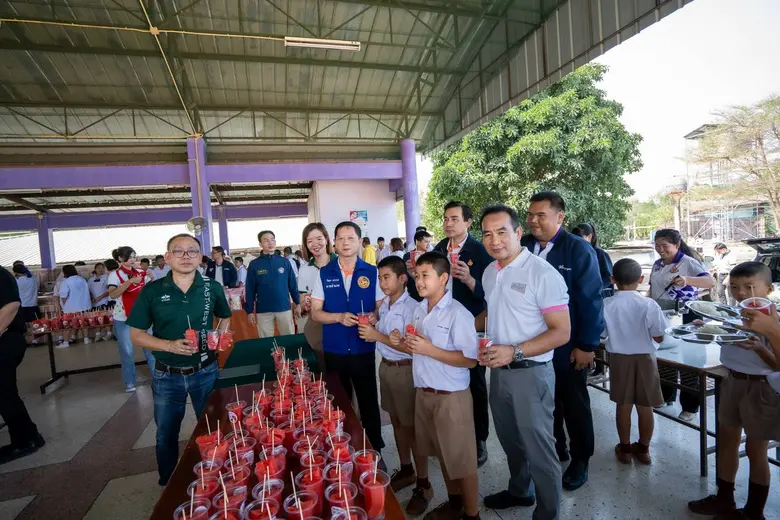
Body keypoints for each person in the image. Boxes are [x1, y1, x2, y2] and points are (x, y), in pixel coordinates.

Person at [478, 204, 571, 519]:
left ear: (518, 232)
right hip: (499, 373)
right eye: (488, 234)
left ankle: (548, 513)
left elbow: (562, 332)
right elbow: (495, 314)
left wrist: (514, 351)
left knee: (540, 450)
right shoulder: (491, 272)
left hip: (532, 373)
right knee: (510, 440)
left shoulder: (542, 274)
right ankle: (520, 491)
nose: (495, 241)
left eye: (502, 232)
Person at [127, 233, 231, 486]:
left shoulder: (211, 288)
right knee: (165, 434)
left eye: (192, 251)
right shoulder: (152, 291)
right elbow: (136, 335)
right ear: (167, 257)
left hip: (205, 371)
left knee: (211, 428)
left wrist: (218, 335)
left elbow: (224, 317)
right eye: (179, 251)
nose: (186, 256)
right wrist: (169, 345)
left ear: (200, 257)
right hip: (166, 375)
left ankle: (217, 477)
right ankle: (169, 481)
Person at [521, 191, 604, 491]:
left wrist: (587, 345)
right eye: (530, 214)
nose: (533, 220)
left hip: (568, 345)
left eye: (540, 215)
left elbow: (591, 300)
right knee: (547, 400)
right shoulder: (524, 247)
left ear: (560, 217)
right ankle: (558, 448)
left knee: (574, 402)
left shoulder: (578, 250)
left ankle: (581, 459)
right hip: (534, 342)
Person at [688, 262, 779, 520]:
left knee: (755, 450)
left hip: (762, 388)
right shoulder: (731, 316)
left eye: (750, 287)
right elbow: (720, 338)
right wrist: (703, 327)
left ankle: (753, 511)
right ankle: (724, 499)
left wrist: (760, 348)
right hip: (731, 381)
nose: (742, 293)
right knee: (726, 442)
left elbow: (778, 365)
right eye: (736, 287)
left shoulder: (774, 323)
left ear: (769, 289)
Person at [405, 252, 479, 520]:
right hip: (424, 393)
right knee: (443, 455)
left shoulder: (458, 314)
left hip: (451, 398)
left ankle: (472, 513)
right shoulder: (418, 309)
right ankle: (454, 501)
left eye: (425, 276)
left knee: (462, 460)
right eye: (416, 276)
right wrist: (406, 342)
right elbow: (417, 345)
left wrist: (429, 349)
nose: (419, 281)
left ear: (444, 278)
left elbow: (471, 360)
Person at [357, 255, 432, 514]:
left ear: (402, 278)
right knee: (398, 423)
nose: (382, 282)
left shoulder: (414, 308)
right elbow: (389, 335)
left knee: (413, 429)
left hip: (406, 372)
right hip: (387, 369)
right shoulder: (386, 305)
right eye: (379, 277)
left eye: (386, 277)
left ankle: (424, 484)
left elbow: (414, 349)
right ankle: (407, 469)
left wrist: (377, 335)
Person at [311, 221, 386, 454]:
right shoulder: (325, 273)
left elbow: (381, 306)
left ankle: (375, 449)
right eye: (340, 238)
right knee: (339, 404)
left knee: (368, 402)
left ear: (360, 242)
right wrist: (338, 317)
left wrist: (374, 316)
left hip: (363, 347)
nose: (345, 243)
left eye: (350, 238)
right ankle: (342, 450)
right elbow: (315, 313)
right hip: (335, 350)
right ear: (334, 242)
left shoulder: (372, 272)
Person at [431, 201, 493, 467]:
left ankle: (479, 439)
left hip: (470, 325)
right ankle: (444, 431)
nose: (448, 223)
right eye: (445, 219)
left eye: (455, 219)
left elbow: (491, 291)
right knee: (443, 375)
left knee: (475, 381)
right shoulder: (437, 251)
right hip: (441, 325)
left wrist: (468, 279)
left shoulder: (480, 251)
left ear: (468, 222)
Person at [602, 258, 666, 465]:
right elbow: (659, 336)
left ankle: (625, 449)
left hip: (619, 359)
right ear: (641, 279)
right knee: (645, 406)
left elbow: (602, 334)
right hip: (646, 359)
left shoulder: (606, 304)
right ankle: (644, 449)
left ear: (612, 279)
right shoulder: (649, 304)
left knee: (624, 405)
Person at [650, 228, 716, 421]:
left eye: (665, 245)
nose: (661, 249)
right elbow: (654, 288)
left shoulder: (687, 262)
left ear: (676, 245)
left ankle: (690, 406)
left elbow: (709, 282)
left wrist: (687, 280)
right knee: (665, 356)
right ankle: (666, 395)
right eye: (657, 245)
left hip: (687, 315)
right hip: (663, 314)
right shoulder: (657, 264)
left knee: (689, 360)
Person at [0, 265, 45, 466]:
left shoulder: (0, 275)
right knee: (6, 393)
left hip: (6, 341)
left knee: (4, 394)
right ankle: (31, 435)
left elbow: (10, 306)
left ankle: (24, 441)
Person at [108, 246, 151, 392]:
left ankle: (158, 378)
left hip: (144, 315)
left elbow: (150, 291)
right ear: (120, 259)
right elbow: (113, 295)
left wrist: (151, 279)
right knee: (126, 351)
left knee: (151, 347)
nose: (133, 259)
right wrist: (129, 282)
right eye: (130, 257)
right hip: (122, 317)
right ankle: (130, 382)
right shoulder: (115, 275)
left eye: (134, 256)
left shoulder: (141, 273)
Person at [245, 231, 300, 338]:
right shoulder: (254, 264)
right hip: (263, 310)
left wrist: (297, 303)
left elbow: (292, 284)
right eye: (266, 240)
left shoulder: (284, 262)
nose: (270, 243)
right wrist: (250, 311)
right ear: (260, 244)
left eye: (272, 239)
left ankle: (289, 356)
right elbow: (250, 289)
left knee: (289, 338)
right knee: (266, 342)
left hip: (284, 307)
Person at [298, 223, 337, 372]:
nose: (315, 244)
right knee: (323, 370)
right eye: (309, 241)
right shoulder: (304, 270)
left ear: (327, 239)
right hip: (317, 327)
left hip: (341, 323)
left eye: (319, 238)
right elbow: (302, 301)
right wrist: (305, 303)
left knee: (343, 372)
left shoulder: (341, 263)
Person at [571, 223, 614, 294]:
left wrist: (593, 289)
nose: (576, 242)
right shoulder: (572, 253)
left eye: (580, 238)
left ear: (590, 237)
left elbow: (609, 278)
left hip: (598, 295)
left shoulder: (600, 254)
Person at [59, 265, 92, 347]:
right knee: (83, 323)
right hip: (84, 306)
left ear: (65, 272)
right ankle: (86, 340)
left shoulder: (66, 281)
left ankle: (66, 342)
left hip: (71, 307)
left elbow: (63, 296)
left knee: (67, 325)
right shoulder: (82, 279)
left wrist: (65, 306)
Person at [404, 229, 434, 302]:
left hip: (429, 292)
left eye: (429, 242)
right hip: (413, 292)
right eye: (426, 242)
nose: (428, 244)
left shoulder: (431, 256)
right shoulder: (408, 256)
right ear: (418, 242)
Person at [88, 263, 111, 342]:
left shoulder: (106, 278)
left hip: (104, 301)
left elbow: (109, 291)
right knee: (96, 318)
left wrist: (99, 297)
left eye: (102, 268)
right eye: (98, 268)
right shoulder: (90, 279)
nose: (101, 270)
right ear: (95, 269)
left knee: (106, 317)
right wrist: (91, 298)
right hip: (94, 303)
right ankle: (98, 334)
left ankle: (109, 333)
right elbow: (88, 291)